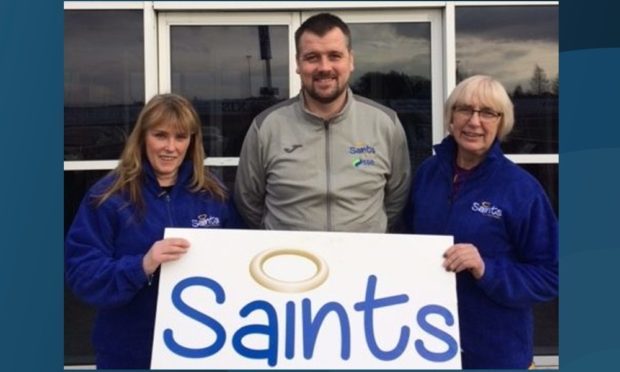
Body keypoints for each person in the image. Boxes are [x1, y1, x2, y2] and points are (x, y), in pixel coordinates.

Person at [65, 93, 244, 369]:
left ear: (192, 142)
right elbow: (82, 275)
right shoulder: (108, 197)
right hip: (128, 354)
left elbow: (239, 266)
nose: (170, 147)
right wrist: (142, 265)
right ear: (142, 138)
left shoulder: (214, 196)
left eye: (180, 137)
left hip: (201, 352)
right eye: (160, 135)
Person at [409, 75, 558, 368]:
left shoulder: (520, 189)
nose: (474, 121)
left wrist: (486, 268)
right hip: (427, 345)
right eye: (464, 109)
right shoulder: (427, 174)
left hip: (495, 351)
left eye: (487, 112)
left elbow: (552, 274)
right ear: (451, 118)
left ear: (501, 123)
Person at [235, 12, 411, 232]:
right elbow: (248, 201)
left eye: (334, 56)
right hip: (290, 260)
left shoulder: (386, 124)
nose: (324, 67)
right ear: (298, 63)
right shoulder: (266, 127)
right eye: (312, 57)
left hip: (363, 261)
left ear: (351, 60)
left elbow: (397, 199)